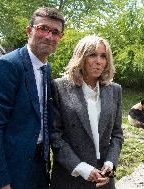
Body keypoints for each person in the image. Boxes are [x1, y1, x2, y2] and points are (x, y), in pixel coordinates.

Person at [0, 7, 65, 189]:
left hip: (37, 166)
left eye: (55, 32)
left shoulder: (46, 69)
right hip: (7, 169)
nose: (48, 36)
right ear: (29, 31)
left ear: (60, 37)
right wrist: (1, 182)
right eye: (42, 28)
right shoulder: (6, 67)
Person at [50, 35, 124, 189]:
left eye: (103, 56)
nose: (99, 61)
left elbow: (117, 135)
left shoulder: (114, 90)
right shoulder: (59, 87)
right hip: (70, 176)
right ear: (81, 57)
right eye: (93, 55)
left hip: (104, 178)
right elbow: (55, 136)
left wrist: (110, 163)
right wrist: (82, 168)